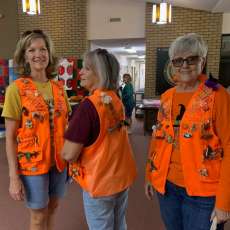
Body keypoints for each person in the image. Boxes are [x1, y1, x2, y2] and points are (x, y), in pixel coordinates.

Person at [145, 33, 230, 230]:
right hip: (167, 187)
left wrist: (224, 201)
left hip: (204, 192)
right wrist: (150, 175)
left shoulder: (217, 95)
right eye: (178, 60)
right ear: (172, 64)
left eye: (191, 59)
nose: (184, 65)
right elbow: (158, 138)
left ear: (203, 60)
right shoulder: (167, 97)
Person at [2, 30, 71, 230]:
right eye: (31, 50)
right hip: (32, 165)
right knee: (38, 215)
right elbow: (10, 138)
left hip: (59, 163)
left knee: (53, 208)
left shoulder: (59, 88)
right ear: (24, 56)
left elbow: (67, 127)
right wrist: (14, 178)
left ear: (49, 53)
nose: (38, 54)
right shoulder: (16, 89)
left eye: (43, 49)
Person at [61, 48, 137, 230]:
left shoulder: (88, 106)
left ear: (100, 73)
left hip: (100, 181)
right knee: (120, 224)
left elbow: (69, 154)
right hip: (121, 177)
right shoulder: (115, 99)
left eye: (87, 68)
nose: (80, 72)